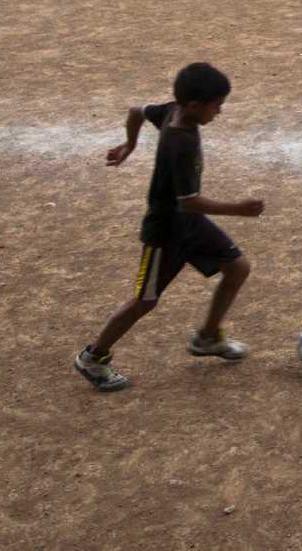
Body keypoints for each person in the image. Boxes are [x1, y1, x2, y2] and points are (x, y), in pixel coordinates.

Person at [72, 63, 263, 393]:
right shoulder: (181, 143)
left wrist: (129, 144)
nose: (220, 111)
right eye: (216, 104)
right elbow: (188, 201)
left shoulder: (172, 111)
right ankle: (93, 356)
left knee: (238, 268)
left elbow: (136, 111)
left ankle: (207, 338)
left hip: (190, 225)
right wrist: (239, 209)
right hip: (164, 234)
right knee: (145, 301)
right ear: (193, 106)